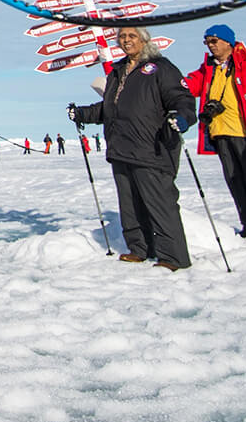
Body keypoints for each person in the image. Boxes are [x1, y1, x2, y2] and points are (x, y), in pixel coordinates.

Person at [70, 26, 197, 269]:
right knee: (129, 205)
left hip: (152, 148)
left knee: (160, 204)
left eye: (132, 36)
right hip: (121, 148)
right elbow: (110, 107)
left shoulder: (161, 68)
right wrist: (83, 113)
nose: (126, 40)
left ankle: (173, 256)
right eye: (122, 37)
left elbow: (182, 98)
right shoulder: (119, 70)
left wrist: (182, 117)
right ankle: (140, 248)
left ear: (144, 39)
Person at [184, 23, 246, 242]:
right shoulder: (209, 68)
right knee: (235, 180)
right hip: (220, 133)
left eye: (214, 41)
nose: (210, 46)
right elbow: (190, 85)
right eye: (207, 42)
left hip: (245, 133)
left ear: (227, 42)